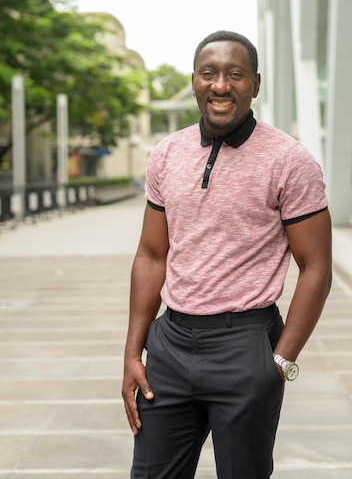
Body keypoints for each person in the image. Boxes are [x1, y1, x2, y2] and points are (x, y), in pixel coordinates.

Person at [122, 30, 332, 479]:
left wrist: (279, 362)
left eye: (235, 75)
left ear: (255, 84)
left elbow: (316, 267)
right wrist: (133, 353)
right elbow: (151, 255)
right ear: (194, 81)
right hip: (170, 347)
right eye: (209, 74)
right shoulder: (166, 154)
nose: (220, 86)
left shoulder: (290, 161)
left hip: (246, 345)